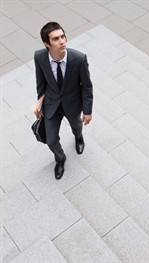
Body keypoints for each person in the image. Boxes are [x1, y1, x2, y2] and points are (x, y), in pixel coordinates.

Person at [33, 22, 93, 180]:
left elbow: (86, 86)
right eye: (56, 39)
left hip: (72, 104)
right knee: (51, 141)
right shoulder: (39, 57)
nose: (62, 41)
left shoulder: (79, 59)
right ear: (46, 43)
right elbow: (41, 83)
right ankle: (60, 159)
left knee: (76, 126)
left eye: (63, 36)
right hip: (52, 105)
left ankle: (78, 137)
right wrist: (39, 104)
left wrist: (87, 111)